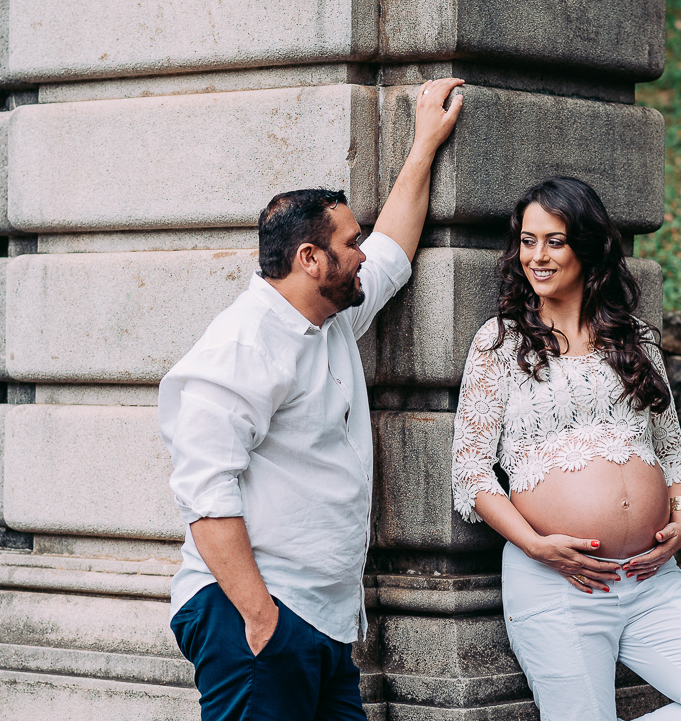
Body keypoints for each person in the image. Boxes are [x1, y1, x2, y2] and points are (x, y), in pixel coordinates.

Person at [158, 77, 465, 720]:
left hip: (321, 624)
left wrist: (425, 142)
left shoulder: (332, 319)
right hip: (256, 617)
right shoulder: (239, 349)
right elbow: (206, 499)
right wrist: (261, 620)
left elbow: (394, 250)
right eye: (349, 242)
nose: (361, 252)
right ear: (310, 259)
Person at [450, 176, 681, 721]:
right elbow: (472, 475)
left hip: (653, 581)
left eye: (555, 240)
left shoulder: (636, 340)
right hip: (557, 582)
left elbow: (674, 457)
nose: (537, 256)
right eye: (528, 241)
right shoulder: (499, 342)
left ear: (589, 246)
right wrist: (535, 545)